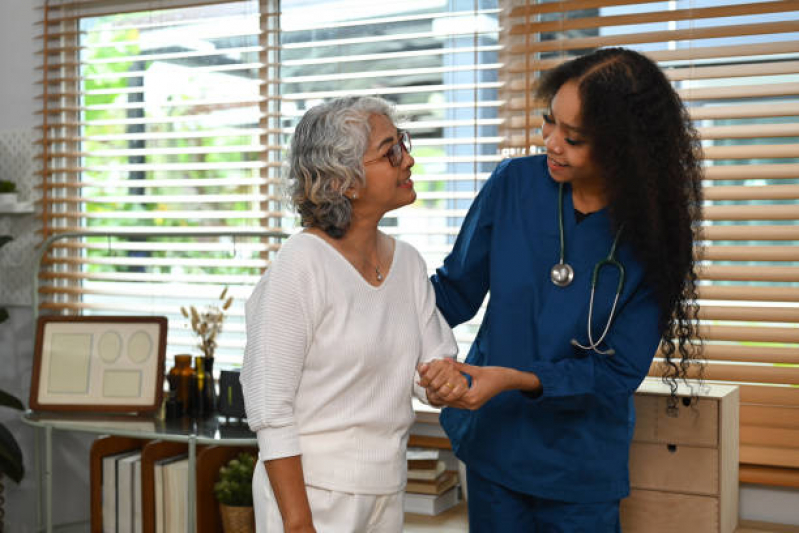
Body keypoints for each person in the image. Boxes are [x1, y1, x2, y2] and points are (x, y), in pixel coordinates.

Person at [417, 47, 704, 532]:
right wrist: (372, 291)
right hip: (495, 446)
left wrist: (510, 378)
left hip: (580, 467)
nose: (551, 143)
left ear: (623, 147)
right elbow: (453, 292)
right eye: (549, 123)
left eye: (573, 138)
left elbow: (617, 372)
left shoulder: (656, 237)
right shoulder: (514, 185)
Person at [240, 96, 457, 533]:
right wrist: (298, 522)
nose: (408, 159)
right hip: (310, 495)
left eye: (404, 144)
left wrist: (441, 378)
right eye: (390, 151)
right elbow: (269, 407)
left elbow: (430, 366)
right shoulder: (300, 266)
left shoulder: (409, 263)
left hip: (387, 490)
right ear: (345, 182)